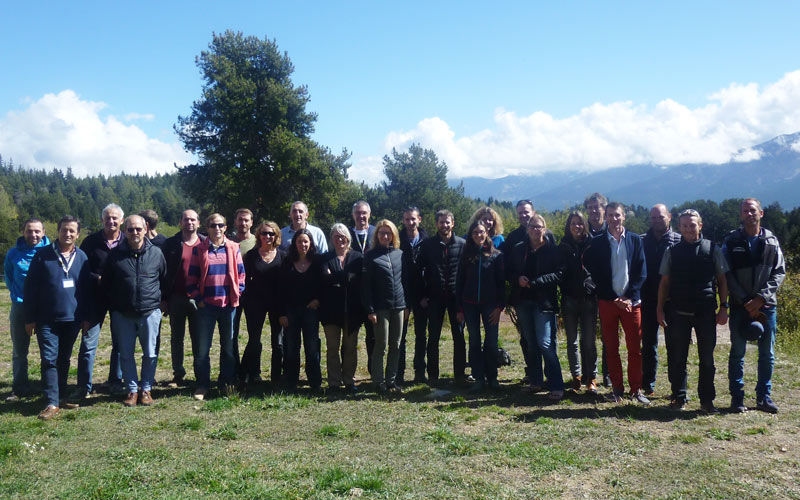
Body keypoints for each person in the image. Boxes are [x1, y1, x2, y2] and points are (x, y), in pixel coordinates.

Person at [657, 209, 729, 413]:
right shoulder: (672, 251)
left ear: (700, 225)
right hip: (678, 312)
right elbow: (664, 283)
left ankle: (707, 400)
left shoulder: (712, 249)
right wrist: (659, 310)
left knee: (707, 359)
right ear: (679, 228)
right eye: (685, 226)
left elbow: (722, 280)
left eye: (692, 225)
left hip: (705, 312)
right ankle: (679, 397)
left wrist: (724, 307)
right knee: (678, 358)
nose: (689, 229)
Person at [23, 215, 89, 420]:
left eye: (72, 231)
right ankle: (51, 402)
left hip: (72, 319)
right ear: (57, 232)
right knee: (49, 359)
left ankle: (60, 396)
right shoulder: (43, 255)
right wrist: (30, 318)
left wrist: (86, 317)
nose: (67, 234)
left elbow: (86, 291)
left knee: (64, 359)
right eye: (64, 230)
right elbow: (31, 288)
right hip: (46, 319)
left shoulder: (82, 257)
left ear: (77, 234)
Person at [583, 202, 649, 404]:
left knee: (635, 349)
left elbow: (641, 272)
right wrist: (613, 297)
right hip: (608, 302)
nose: (614, 219)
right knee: (611, 348)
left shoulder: (635, 240)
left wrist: (629, 296)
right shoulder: (598, 242)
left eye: (617, 215)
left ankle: (636, 390)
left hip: (631, 302)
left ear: (624, 217)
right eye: (610, 215)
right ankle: (617, 390)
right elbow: (593, 273)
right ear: (606, 216)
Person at [724, 198, 785, 414]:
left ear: (761, 213)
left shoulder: (771, 241)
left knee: (767, 354)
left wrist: (761, 298)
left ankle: (763, 397)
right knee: (737, 353)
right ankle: (737, 398)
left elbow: (779, 272)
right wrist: (744, 300)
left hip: (766, 307)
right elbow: (726, 273)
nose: (749, 214)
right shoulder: (731, 241)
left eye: (753, 210)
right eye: (745, 211)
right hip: (741, 307)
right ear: (740, 215)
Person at [101, 215, 167, 407]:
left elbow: (164, 279)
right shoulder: (115, 255)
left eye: (138, 229)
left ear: (145, 228)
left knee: (150, 353)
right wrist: (115, 306)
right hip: (123, 314)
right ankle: (131, 390)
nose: (135, 233)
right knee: (125, 354)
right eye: (130, 230)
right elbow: (106, 283)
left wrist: (160, 303)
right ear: (125, 231)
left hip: (149, 312)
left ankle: (146, 389)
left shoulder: (156, 253)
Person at [186, 214, 246, 400]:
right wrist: (199, 299)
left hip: (228, 307)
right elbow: (191, 280)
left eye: (220, 225)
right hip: (206, 308)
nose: (217, 228)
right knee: (203, 349)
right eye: (213, 225)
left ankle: (225, 384)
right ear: (207, 227)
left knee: (228, 348)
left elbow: (241, 276)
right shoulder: (199, 250)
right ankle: (203, 385)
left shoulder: (234, 248)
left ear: (226, 227)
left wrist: (237, 294)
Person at [509, 215, 565, 400]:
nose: (535, 230)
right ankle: (536, 381)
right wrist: (517, 279)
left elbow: (559, 274)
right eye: (532, 227)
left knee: (545, 343)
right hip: (523, 301)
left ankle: (556, 383)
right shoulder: (518, 250)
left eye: (538, 227)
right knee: (531, 343)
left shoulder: (553, 250)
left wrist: (536, 282)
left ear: (544, 228)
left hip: (544, 302)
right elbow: (510, 271)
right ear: (527, 229)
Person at [73, 203, 125, 402]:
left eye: (114, 218)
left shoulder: (126, 240)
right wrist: (99, 279)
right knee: (88, 343)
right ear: (102, 220)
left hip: (119, 299)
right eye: (107, 218)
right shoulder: (90, 241)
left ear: (121, 220)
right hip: (95, 299)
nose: (111, 221)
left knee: (120, 343)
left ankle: (115, 381)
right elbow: (82, 270)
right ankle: (83, 385)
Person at [417, 210, 469, 384]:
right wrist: (422, 295)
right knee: (433, 337)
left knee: (459, 337)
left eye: (447, 222)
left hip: (457, 298)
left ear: (453, 223)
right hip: (435, 297)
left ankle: (460, 375)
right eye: (441, 222)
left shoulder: (463, 244)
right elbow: (420, 272)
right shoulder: (427, 245)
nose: (444, 225)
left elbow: (467, 274)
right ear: (436, 223)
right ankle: (433, 376)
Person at [456, 220, 505, 392]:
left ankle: (492, 377)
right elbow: (459, 282)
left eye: (481, 232)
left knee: (491, 342)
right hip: (469, 305)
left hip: (491, 305)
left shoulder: (496, 255)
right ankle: (478, 378)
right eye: (475, 232)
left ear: (487, 233)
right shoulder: (465, 255)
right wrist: (459, 309)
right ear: (471, 235)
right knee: (474, 341)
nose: (478, 235)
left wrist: (500, 307)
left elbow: (501, 284)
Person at [4, 218, 50, 401]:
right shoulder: (13, 254)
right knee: (19, 350)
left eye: (37, 231)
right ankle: (20, 387)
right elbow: (9, 278)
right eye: (29, 231)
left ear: (44, 232)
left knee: (47, 350)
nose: (33, 235)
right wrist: (19, 296)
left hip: (44, 307)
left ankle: (47, 386)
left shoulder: (50, 252)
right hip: (20, 306)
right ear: (23, 232)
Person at [161, 209, 205, 387]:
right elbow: (162, 273)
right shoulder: (170, 243)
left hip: (199, 298)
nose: (189, 223)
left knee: (198, 338)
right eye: (186, 220)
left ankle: (199, 373)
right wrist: (164, 298)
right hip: (176, 298)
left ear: (198, 223)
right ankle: (178, 374)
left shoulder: (205, 242)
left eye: (193, 220)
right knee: (176, 338)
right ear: (180, 222)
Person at [239, 220, 285, 388]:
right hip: (255, 303)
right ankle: (248, 375)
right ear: (258, 235)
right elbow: (243, 280)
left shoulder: (283, 256)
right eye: (264, 233)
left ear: (276, 236)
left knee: (278, 343)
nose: (267, 236)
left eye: (271, 233)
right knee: (254, 341)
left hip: (277, 303)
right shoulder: (251, 256)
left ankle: (276, 377)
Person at [362, 220, 407, 393]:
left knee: (396, 345)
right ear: (377, 235)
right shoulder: (370, 256)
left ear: (393, 235)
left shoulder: (399, 254)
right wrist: (370, 309)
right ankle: (378, 382)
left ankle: (391, 381)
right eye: (382, 233)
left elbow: (405, 281)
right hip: (380, 308)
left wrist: (406, 304)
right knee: (381, 345)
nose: (385, 236)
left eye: (388, 233)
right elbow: (365, 287)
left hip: (399, 306)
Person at [640, 204, 680, 396]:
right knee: (648, 344)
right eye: (653, 217)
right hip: (647, 300)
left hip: (672, 301)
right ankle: (647, 384)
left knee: (674, 346)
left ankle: (676, 387)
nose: (657, 220)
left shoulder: (679, 241)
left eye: (661, 217)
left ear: (669, 217)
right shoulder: (641, 241)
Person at [319, 223, 363, 393]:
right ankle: (334, 382)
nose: (339, 239)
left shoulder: (357, 257)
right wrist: (345, 277)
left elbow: (358, 281)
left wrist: (335, 277)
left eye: (342, 236)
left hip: (353, 310)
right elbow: (324, 280)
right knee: (332, 348)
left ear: (348, 238)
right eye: (336, 236)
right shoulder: (325, 258)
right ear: (331, 239)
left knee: (351, 347)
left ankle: (349, 380)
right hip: (331, 310)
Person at [559, 211, 598, 394]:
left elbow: (599, 269)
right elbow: (559, 271)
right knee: (572, 341)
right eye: (573, 223)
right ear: (568, 226)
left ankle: (592, 378)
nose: (577, 226)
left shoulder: (592, 244)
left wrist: (592, 285)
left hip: (589, 298)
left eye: (580, 223)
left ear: (585, 225)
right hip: (569, 299)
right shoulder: (563, 245)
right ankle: (576, 377)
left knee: (589, 341)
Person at [278, 229, 322, 392]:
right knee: (291, 347)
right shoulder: (287, 261)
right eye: (299, 241)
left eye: (305, 241)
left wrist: (318, 300)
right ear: (294, 244)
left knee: (312, 347)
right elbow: (280, 289)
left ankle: (315, 382)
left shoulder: (317, 261)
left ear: (310, 244)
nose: (302, 244)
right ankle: (291, 381)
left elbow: (323, 285)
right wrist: (282, 313)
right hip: (290, 311)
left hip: (310, 311)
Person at [583, 192, 611, 387]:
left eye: (597, 207)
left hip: (610, 291)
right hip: (587, 292)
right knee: (588, 337)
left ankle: (609, 374)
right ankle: (590, 375)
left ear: (604, 209)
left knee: (608, 337)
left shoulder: (613, 230)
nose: (594, 211)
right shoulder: (581, 231)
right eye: (590, 208)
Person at [399, 206, 428, 384]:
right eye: (407, 219)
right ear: (403, 221)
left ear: (419, 220)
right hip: (402, 296)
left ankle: (419, 372)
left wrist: (427, 295)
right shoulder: (397, 240)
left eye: (413, 219)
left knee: (421, 335)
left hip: (422, 296)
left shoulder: (428, 241)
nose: (410, 222)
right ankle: (399, 372)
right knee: (400, 337)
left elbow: (432, 270)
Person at [348, 200, 376, 375]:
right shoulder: (347, 234)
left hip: (373, 294)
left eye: (364, 213)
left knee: (373, 336)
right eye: (358, 213)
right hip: (352, 293)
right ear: (353, 215)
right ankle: (348, 375)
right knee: (351, 337)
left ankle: (374, 372)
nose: (361, 216)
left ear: (369, 214)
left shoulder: (376, 232)